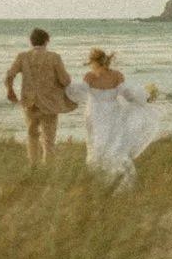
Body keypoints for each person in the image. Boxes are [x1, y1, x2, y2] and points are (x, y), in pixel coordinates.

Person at [65, 48, 161, 187]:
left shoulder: (90, 77)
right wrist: (144, 97)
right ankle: (116, 178)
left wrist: (63, 84)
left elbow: (78, 91)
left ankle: (99, 179)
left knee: (95, 144)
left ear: (93, 62)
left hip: (95, 113)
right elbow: (128, 94)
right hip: (112, 112)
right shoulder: (117, 75)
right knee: (113, 143)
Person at [5, 27, 76, 164]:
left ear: (31, 42)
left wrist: (10, 90)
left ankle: (34, 165)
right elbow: (65, 80)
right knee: (49, 139)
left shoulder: (23, 56)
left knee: (32, 135)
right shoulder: (54, 57)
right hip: (49, 103)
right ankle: (48, 168)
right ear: (46, 41)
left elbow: (9, 75)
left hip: (29, 102)